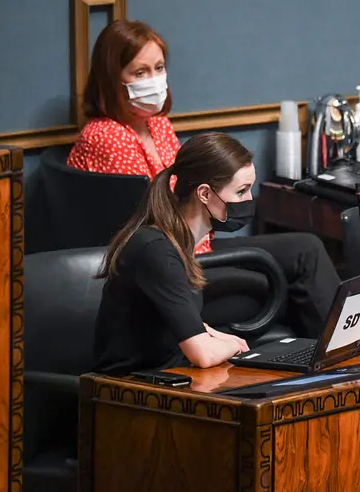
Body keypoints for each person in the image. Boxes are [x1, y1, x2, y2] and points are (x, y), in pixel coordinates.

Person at [68, 19, 338, 337]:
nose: (154, 80)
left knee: (306, 249)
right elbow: (148, 224)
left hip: (198, 248)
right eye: (140, 73)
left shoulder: (157, 125)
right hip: (172, 268)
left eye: (158, 68)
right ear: (112, 80)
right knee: (293, 278)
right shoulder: (105, 136)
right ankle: (347, 363)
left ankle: (344, 354)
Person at [94, 132, 259, 375]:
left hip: (171, 375)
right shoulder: (156, 250)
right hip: (128, 391)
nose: (250, 199)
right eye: (242, 191)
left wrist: (218, 339)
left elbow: (178, 321)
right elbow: (202, 354)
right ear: (204, 194)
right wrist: (232, 344)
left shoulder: (177, 241)